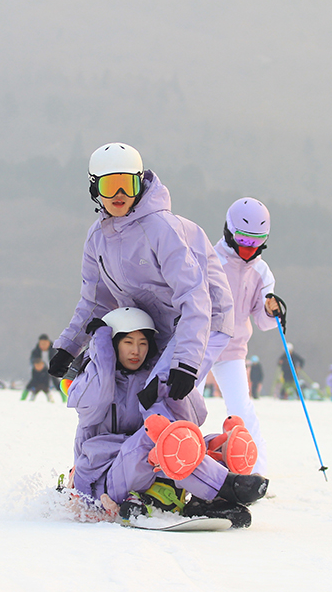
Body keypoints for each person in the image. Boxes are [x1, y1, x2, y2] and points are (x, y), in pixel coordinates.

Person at [48, 142, 235, 424]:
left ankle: (195, 463)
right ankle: (113, 460)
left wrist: (185, 362)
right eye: (111, 186)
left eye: (128, 185)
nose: (120, 195)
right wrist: (70, 346)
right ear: (95, 189)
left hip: (204, 318)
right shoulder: (97, 238)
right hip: (153, 328)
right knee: (127, 393)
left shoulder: (162, 229)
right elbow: (96, 300)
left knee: (160, 395)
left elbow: (194, 296)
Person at [66, 307, 266, 528]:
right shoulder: (91, 381)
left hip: (150, 469)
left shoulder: (149, 379)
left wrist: (173, 380)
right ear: (114, 344)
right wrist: (100, 347)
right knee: (157, 439)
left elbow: (193, 417)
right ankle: (223, 485)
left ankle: (213, 485)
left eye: (143, 343)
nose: (136, 351)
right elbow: (97, 396)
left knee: (192, 441)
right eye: (128, 342)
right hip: (103, 476)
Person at [208, 197, 283, 473]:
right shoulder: (210, 260)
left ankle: (255, 472)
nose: (249, 249)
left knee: (242, 410)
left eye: (256, 241)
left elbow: (263, 321)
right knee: (185, 403)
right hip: (200, 345)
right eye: (243, 240)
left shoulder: (261, 271)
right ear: (229, 231)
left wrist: (270, 309)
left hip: (233, 350)